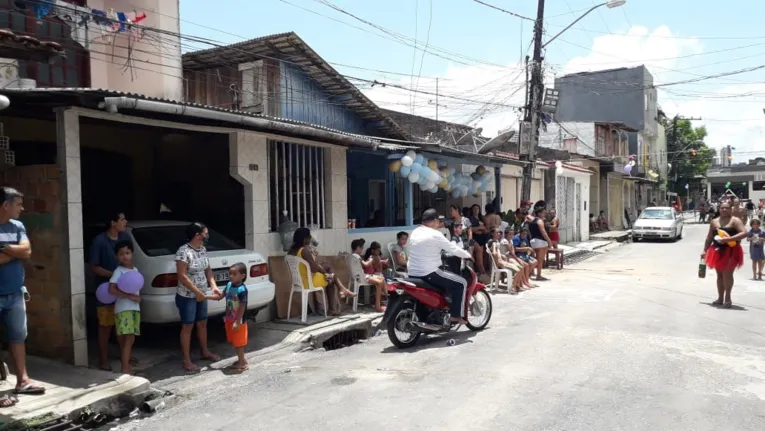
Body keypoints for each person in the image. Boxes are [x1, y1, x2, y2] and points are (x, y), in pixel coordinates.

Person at [0, 188, 44, 404]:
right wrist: (13, 253)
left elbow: (27, 251)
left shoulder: (17, 226)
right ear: (5, 205)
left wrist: (5, 249)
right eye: (18, 204)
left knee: (18, 337)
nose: (22, 208)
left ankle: (22, 382)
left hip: (15, 292)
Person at [407, 209, 473, 325]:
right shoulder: (435, 234)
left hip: (412, 272)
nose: (439, 224)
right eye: (439, 221)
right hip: (429, 272)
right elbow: (452, 249)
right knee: (461, 283)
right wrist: (468, 255)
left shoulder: (415, 232)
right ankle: (456, 316)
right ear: (434, 221)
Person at [175, 222, 221, 372]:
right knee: (188, 326)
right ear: (197, 235)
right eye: (205, 233)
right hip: (187, 295)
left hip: (202, 294)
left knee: (202, 323)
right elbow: (182, 275)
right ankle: (186, 360)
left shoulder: (202, 249)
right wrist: (197, 292)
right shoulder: (183, 251)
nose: (207, 236)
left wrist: (213, 286)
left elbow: (208, 271)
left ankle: (204, 351)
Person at [89, 211, 132, 371]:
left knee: (123, 324)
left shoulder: (124, 239)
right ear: (113, 223)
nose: (125, 222)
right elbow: (94, 267)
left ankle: (125, 357)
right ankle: (103, 359)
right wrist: (114, 275)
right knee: (105, 325)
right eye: (122, 219)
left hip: (124, 290)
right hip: (105, 290)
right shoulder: (99, 241)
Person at [288, 227, 352, 316]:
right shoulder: (304, 251)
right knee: (331, 279)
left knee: (328, 268)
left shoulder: (291, 251)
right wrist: (322, 270)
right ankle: (333, 307)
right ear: (304, 239)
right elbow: (314, 269)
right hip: (308, 281)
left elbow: (308, 266)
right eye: (309, 236)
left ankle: (342, 289)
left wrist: (320, 266)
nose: (310, 238)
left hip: (299, 281)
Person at [702, 202, 746, 308]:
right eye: (722, 208)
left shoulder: (735, 221)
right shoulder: (714, 221)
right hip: (717, 251)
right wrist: (704, 250)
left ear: (730, 209)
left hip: (731, 251)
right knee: (720, 275)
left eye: (727, 208)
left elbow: (744, 233)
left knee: (727, 274)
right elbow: (709, 237)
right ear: (719, 209)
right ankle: (720, 298)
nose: (724, 210)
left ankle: (728, 298)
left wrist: (728, 239)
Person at [108, 241, 141, 375]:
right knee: (127, 337)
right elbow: (112, 289)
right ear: (117, 256)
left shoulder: (135, 270)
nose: (125, 256)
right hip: (123, 308)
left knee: (130, 338)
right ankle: (125, 367)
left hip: (134, 308)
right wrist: (129, 296)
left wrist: (137, 298)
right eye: (121, 254)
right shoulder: (119, 271)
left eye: (127, 253)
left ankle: (126, 362)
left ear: (132, 253)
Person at [209, 263, 249, 373]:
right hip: (230, 319)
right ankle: (242, 360)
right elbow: (220, 297)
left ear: (242, 276)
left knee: (239, 343)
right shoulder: (229, 285)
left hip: (239, 321)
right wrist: (205, 297)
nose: (231, 276)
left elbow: (242, 306)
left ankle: (242, 364)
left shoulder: (242, 290)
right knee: (235, 341)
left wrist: (237, 321)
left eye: (234, 274)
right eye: (230, 274)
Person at [351, 240, 387, 312]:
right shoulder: (356, 256)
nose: (362, 250)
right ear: (358, 248)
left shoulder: (352, 256)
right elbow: (366, 264)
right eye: (361, 248)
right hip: (363, 277)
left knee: (381, 279)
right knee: (380, 282)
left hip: (360, 276)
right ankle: (378, 306)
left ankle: (382, 297)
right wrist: (370, 260)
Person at [529, 206, 554, 281]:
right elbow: (543, 232)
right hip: (541, 242)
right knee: (540, 260)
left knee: (534, 259)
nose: (545, 214)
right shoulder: (540, 221)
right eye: (543, 212)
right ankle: (538, 275)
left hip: (533, 241)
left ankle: (531, 273)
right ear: (539, 213)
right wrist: (549, 241)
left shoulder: (532, 221)